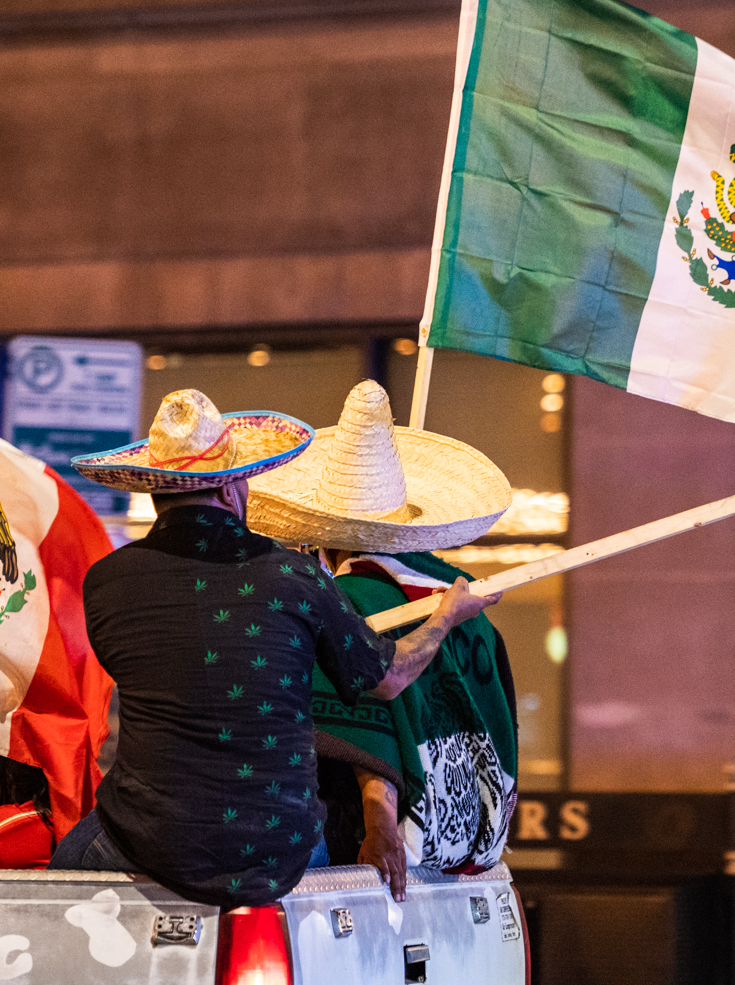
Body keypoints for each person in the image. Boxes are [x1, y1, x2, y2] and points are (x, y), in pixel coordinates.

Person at [51, 389, 498, 908]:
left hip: (152, 838)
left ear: (156, 491)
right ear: (230, 488)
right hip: (282, 848)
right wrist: (445, 617)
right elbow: (389, 678)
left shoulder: (107, 580)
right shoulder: (295, 574)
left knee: (59, 879)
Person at [249, 380, 519, 900]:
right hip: (464, 839)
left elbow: (368, 723)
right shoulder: (463, 599)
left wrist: (382, 828)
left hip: (378, 842)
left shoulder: (346, 596)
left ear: (318, 533)